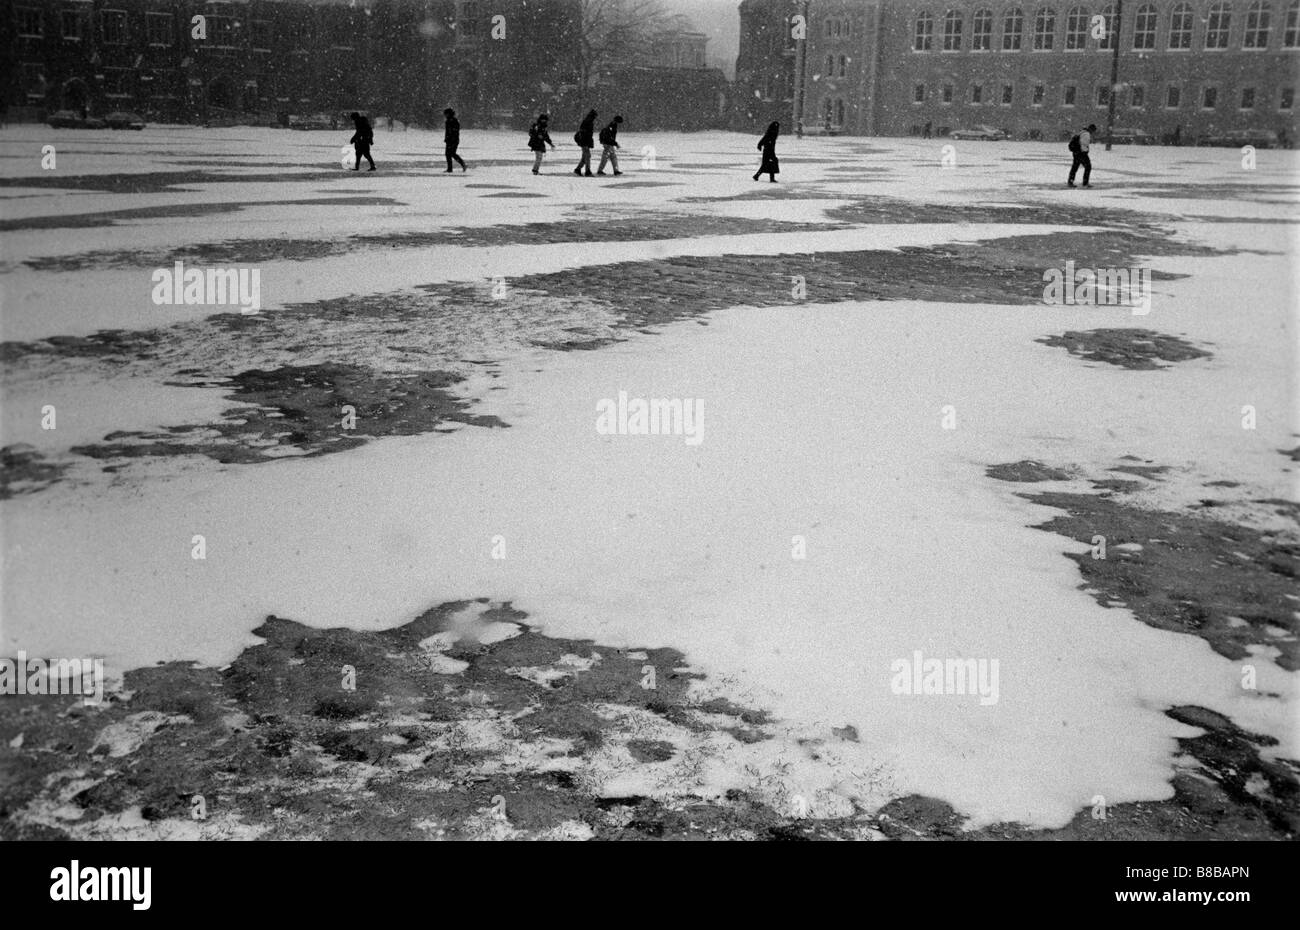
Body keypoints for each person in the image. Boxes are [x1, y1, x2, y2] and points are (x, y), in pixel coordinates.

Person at [1067, 123, 1095, 188]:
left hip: (1076, 152)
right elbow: (1084, 144)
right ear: (1092, 130)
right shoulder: (1086, 134)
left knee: (1075, 167)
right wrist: (1085, 152)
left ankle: (1070, 181)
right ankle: (1085, 183)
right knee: (1088, 167)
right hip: (1081, 153)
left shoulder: (1082, 132)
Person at [573, 109, 597, 176]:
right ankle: (587, 171)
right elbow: (585, 133)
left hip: (585, 142)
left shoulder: (587, 121)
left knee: (585, 157)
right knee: (588, 156)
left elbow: (585, 133)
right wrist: (586, 143)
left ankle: (578, 169)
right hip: (585, 142)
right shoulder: (588, 121)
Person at [444, 108, 467, 173]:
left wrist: (451, 138)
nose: (445, 115)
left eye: (446, 114)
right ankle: (450, 168)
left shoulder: (453, 121)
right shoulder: (448, 121)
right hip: (450, 140)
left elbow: (455, 131)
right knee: (449, 154)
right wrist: (447, 138)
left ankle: (461, 164)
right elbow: (448, 131)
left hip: (453, 140)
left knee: (451, 154)